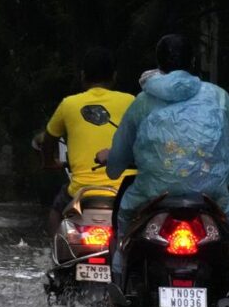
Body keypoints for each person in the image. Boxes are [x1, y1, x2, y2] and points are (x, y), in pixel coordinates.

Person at [95, 34, 229, 291]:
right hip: (212, 196)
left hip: (153, 196)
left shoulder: (141, 103)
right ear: (193, 61)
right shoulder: (220, 98)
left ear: (158, 64)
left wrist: (110, 160)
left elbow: (115, 167)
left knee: (123, 215)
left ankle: (119, 283)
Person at [39, 47, 135, 234]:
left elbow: (49, 139)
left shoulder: (69, 104)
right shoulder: (131, 101)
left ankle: (58, 256)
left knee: (57, 211)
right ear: (114, 76)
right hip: (125, 190)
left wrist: (49, 163)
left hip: (80, 191)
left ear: (83, 76)